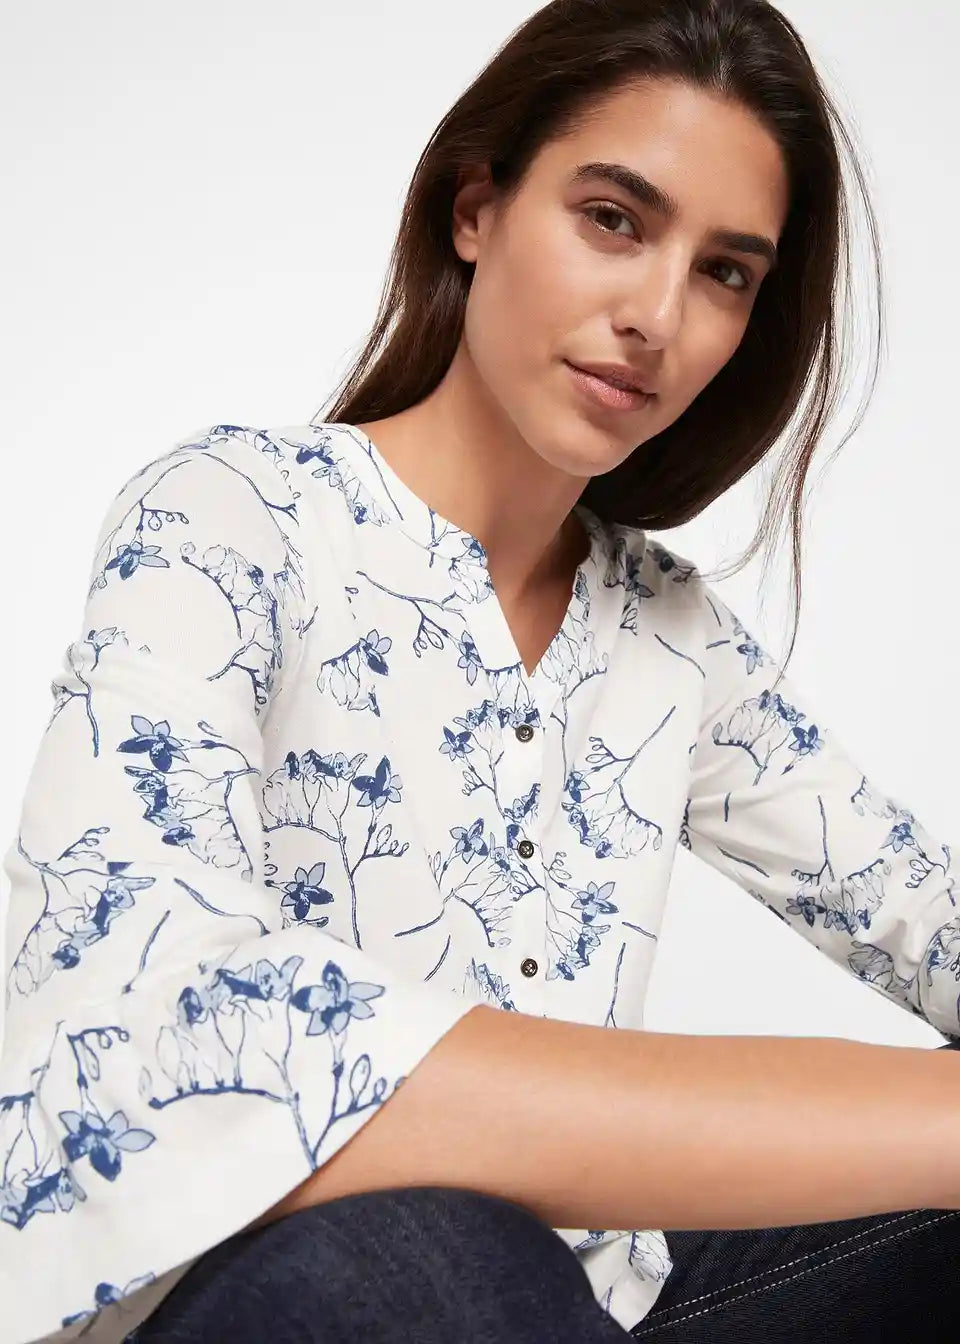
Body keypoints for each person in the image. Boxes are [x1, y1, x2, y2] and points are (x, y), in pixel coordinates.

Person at [3, 1, 960, 1340]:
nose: (658, 316)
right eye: (613, 220)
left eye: (726, 273)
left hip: (606, 1309)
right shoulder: (233, 519)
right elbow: (165, 1024)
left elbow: (929, 918)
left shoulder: (668, 634)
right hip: (301, 1302)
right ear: (476, 209)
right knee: (430, 1246)